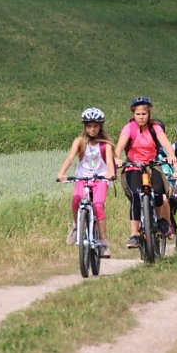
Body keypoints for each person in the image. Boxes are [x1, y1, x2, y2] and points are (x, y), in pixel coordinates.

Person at [114, 97, 177, 249]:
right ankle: (134, 235)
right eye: (138, 114)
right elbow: (119, 147)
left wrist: (172, 159)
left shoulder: (155, 128)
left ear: (149, 114)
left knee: (158, 192)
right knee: (137, 196)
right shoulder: (128, 128)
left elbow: (165, 144)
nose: (141, 117)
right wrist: (117, 159)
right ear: (133, 114)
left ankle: (159, 221)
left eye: (144, 113)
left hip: (152, 165)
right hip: (133, 167)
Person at [57, 107, 116, 258]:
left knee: (98, 205)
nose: (92, 129)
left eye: (95, 126)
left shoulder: (105, 144)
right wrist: (62, 172)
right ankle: (77, 226)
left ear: (100, 126)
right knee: (76, 199)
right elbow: (70, 158)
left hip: (100, 179)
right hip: (82, 177)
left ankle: (103, 243)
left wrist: (110, 173)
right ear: (85, 126)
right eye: (89, 126)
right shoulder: (80, 142)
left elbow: (109, 161)